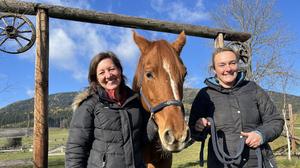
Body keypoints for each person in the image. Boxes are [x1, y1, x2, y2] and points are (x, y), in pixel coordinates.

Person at [188, 47, 284, 168]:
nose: (228, 69)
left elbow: (275, 120)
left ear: (237, 65)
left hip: (257, 162)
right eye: (222, 65)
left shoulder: (253, 88)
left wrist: (261, 134)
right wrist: (199, 127)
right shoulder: (205, 95)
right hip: (220, 163)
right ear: (214, 69)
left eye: (232, 63)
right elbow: (193, 131)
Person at [65, 51, 146, 168]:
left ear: (120, 70)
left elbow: (144, 138)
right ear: (96, 78)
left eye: (111, 69)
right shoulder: (89, 104)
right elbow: (76, 147)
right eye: (101, 72)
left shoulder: (136, 101)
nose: (108, 75)